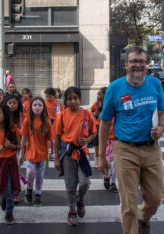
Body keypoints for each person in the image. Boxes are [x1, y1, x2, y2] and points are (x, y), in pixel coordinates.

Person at [98, 46, 164, 234]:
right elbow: (104, 123)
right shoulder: (115, 88)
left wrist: (161, 127)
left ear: (146, 65)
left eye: (142, 61)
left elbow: (163, 113)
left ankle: (143, 217)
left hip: (151, 149)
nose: (138, 65)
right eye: (134, 61)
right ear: (126, 65)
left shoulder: (154, 84)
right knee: (128, 203)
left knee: (156, 197)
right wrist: (102, 156)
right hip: (125, 150)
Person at [54, 86, 97, 226]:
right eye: (69, 99)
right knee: (71, 184)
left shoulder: (87, 114)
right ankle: (72, 210)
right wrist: (55, 158)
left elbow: (93, 132)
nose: (73, 101)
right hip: (67, 154)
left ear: (80, 99)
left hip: (82, 153)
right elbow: (57, 137)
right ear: (65, 101)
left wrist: (88, 140)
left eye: (75, 98)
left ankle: (80, 200)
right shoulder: (61, 115)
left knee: (85, 182)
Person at [0, 104, 21, 225]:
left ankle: (9, 211)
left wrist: (11, 146)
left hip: (10, 162)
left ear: (5, 115)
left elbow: (20, 145)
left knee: (10, 188)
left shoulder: (13, 129)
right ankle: (4, 198)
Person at [19, 97, 52, 207]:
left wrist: (54, 154)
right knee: (30, 172)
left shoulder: (46, 121)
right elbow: (23, 138)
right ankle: (28, 189)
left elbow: (52, 139)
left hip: (42, 154)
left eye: (40, 105)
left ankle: (38, 194)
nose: (37, 107)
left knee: (40, 176)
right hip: (30, 154)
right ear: (31, 107)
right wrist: (21, 154)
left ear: (43, 107)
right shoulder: (27, 120)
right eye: (35, 105)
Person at [5, 94, 24, 204]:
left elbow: (24, 132)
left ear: (18, 105)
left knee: (16, 169)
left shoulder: (21, 116)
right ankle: (7, 191)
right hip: (5, 147)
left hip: (18, 146)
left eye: (14, 103)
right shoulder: (3, 115)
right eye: (10, 103)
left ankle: (15, 192)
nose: (12, 105)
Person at [90, 87, 107, 166]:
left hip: (106, 125)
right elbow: (91, 112)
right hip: (97, 124)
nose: (98, 96)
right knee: (97, 143)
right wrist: (94, 114)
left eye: (100, 94)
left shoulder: (107, 103)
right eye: (97, 94)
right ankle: (96, 157)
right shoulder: (96, 103)